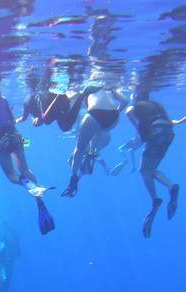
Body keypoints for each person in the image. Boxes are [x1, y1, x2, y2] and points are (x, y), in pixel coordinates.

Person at [0, 78, 55, 235]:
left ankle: (29, 186)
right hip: (15, 135)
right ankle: (38, 198)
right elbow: (12, 120)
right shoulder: (4, 99)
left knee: (11, 175)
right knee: (25, 169)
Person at [126, 93, 184, 237]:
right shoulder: (157, 105)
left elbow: (129, 113)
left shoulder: (136, 105)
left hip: (156, 132)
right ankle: (171, 186)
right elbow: (171, 122)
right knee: (150, 169)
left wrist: (142, 134)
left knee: (144, 170)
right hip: (168, 133)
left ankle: (156, 200)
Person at [62, 85, 128, 197]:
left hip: (95, 115)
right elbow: (125, 101)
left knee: (78, 151)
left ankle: (73, 180)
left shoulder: (87, 87)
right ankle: (91, 153)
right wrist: (117, 112)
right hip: (113, 119)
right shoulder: (109, 88)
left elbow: (68, 99)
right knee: (96, 136)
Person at [16, 69, 84, 132]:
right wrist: (15, 121)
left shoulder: (30, 99)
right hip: (58, 105)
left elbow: (23, 118)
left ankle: (80, 95)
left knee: (65, 127)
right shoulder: (29, 100)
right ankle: (80, 95)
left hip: (57, 103)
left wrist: (39, 118)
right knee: (65, 127)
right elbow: (23, 118)